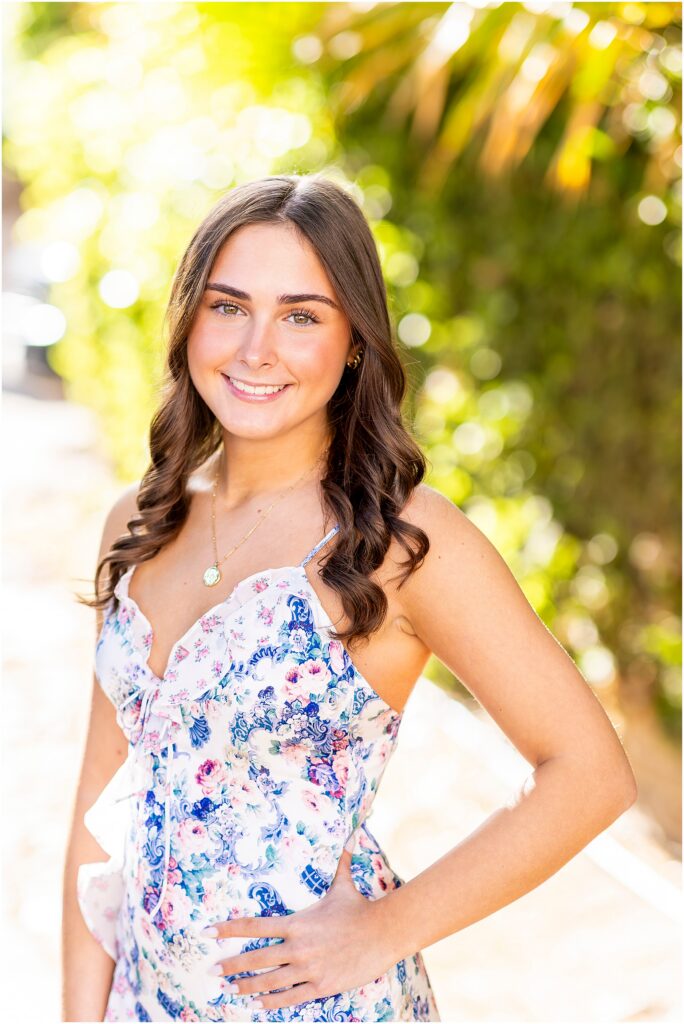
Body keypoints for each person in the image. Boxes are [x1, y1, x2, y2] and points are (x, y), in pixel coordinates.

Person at [61, 173, 637, 1023]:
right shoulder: (140, 519)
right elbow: (99, 799)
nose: (257, 347)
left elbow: (590, 775)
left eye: (301, 316)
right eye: (228, 306)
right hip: (148, 1002)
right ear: (189, 320)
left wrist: (384, 930)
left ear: (354, 341)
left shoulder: (400, 541)